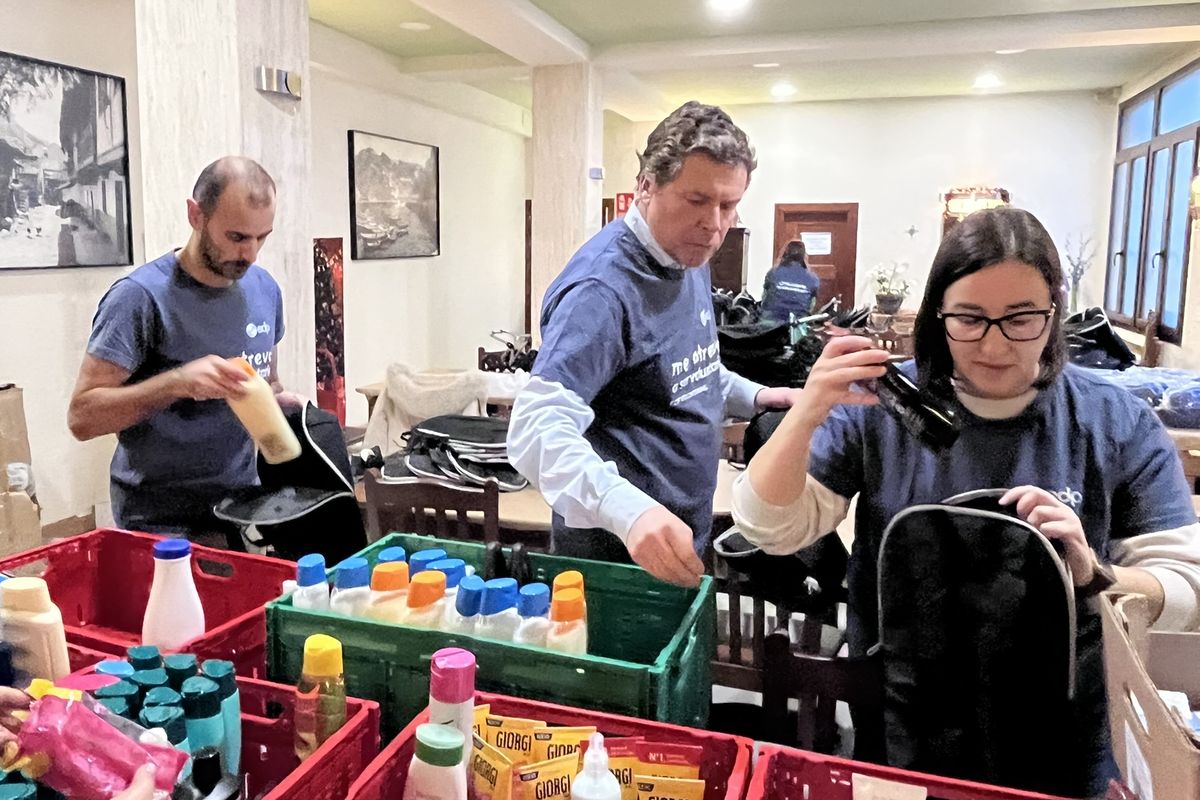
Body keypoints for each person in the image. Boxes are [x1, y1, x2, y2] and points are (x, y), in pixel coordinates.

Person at [731, 206, 1200, 794]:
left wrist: (1094, 573)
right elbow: (770, 527)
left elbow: (1185, 592)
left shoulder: (1114, 421)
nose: (994, 344)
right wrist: (806, 412)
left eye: (1021, 318)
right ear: (938, 315)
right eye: (970, 319)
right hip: (903, 729)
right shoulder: (884, 410)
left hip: (1064, 739)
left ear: (1053, 314)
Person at [507, 101, 797, 588]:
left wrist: (758, 395)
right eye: (697, 200)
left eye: (728, 205)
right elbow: (535, 430)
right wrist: (627, 511)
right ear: (646, 186)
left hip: (682, 534)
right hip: (616, 551)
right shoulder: (601, 292)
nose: (715, 224)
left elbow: (687, 369)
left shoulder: (689, 257)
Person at [68, 156, 293, 542]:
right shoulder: (138, 298)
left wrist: (282, 402)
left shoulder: (265, 290)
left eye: (262, 237)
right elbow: (82, 418)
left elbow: (267, 383)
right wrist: (176, 382)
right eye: (237, 237)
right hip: (158, 519)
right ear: (196, 215)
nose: (250, 254)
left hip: (239, 507)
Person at [761, 238, 820, 321]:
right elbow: (811, 304)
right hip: (798, 322)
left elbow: (764, 297)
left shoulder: (773, 272)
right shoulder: (812, 278)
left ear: (785, 253)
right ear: (804, 255)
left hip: (771, 322)